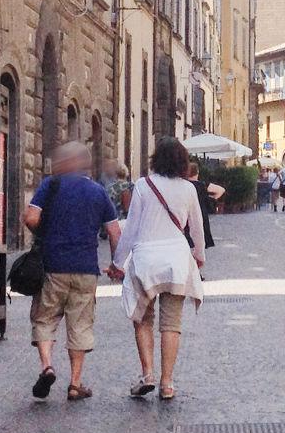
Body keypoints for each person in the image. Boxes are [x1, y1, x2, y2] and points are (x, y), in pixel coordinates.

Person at [23, 140, 121, 402]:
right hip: (86, 268)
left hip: (53, 266)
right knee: (80, 326)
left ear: (63, 163)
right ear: (85, 165)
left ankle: (47, 367)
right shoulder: (98, 191)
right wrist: (116, 264)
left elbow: (30, 218)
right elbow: (114, 231)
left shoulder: (50, 185)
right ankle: (75, 384)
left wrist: (43, 234)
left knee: (44, 319)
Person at [116, 135, 206, 401]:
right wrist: (198, 256)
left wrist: (117, 261)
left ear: (156, 159)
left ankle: (148, 375)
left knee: (143, 318)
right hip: (177, 259)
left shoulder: (143, 186)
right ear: (182, 162)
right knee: (172, 322)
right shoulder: (189, 189)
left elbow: (131, 228)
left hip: (146, 259)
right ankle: (167, 383)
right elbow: (196, 228)